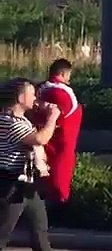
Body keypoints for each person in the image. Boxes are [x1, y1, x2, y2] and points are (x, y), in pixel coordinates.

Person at [0, 78, 77, 251]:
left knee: (39, 226)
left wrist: (47, 110)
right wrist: (53, 117)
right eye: (32, 93)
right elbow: (41, 138)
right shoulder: (8, 122)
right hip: (10, 185)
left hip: (27, 183)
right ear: (19, 97)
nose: (35, 98)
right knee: (2, 231)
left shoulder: (21, 119)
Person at [35, 59, 82, 204]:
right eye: (68, 75)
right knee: (59, 179)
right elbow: (58, 112)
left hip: (46, 143)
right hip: (61, 143)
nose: (69, 79)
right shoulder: (60, 93)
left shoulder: (40, 89)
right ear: (62, 73)